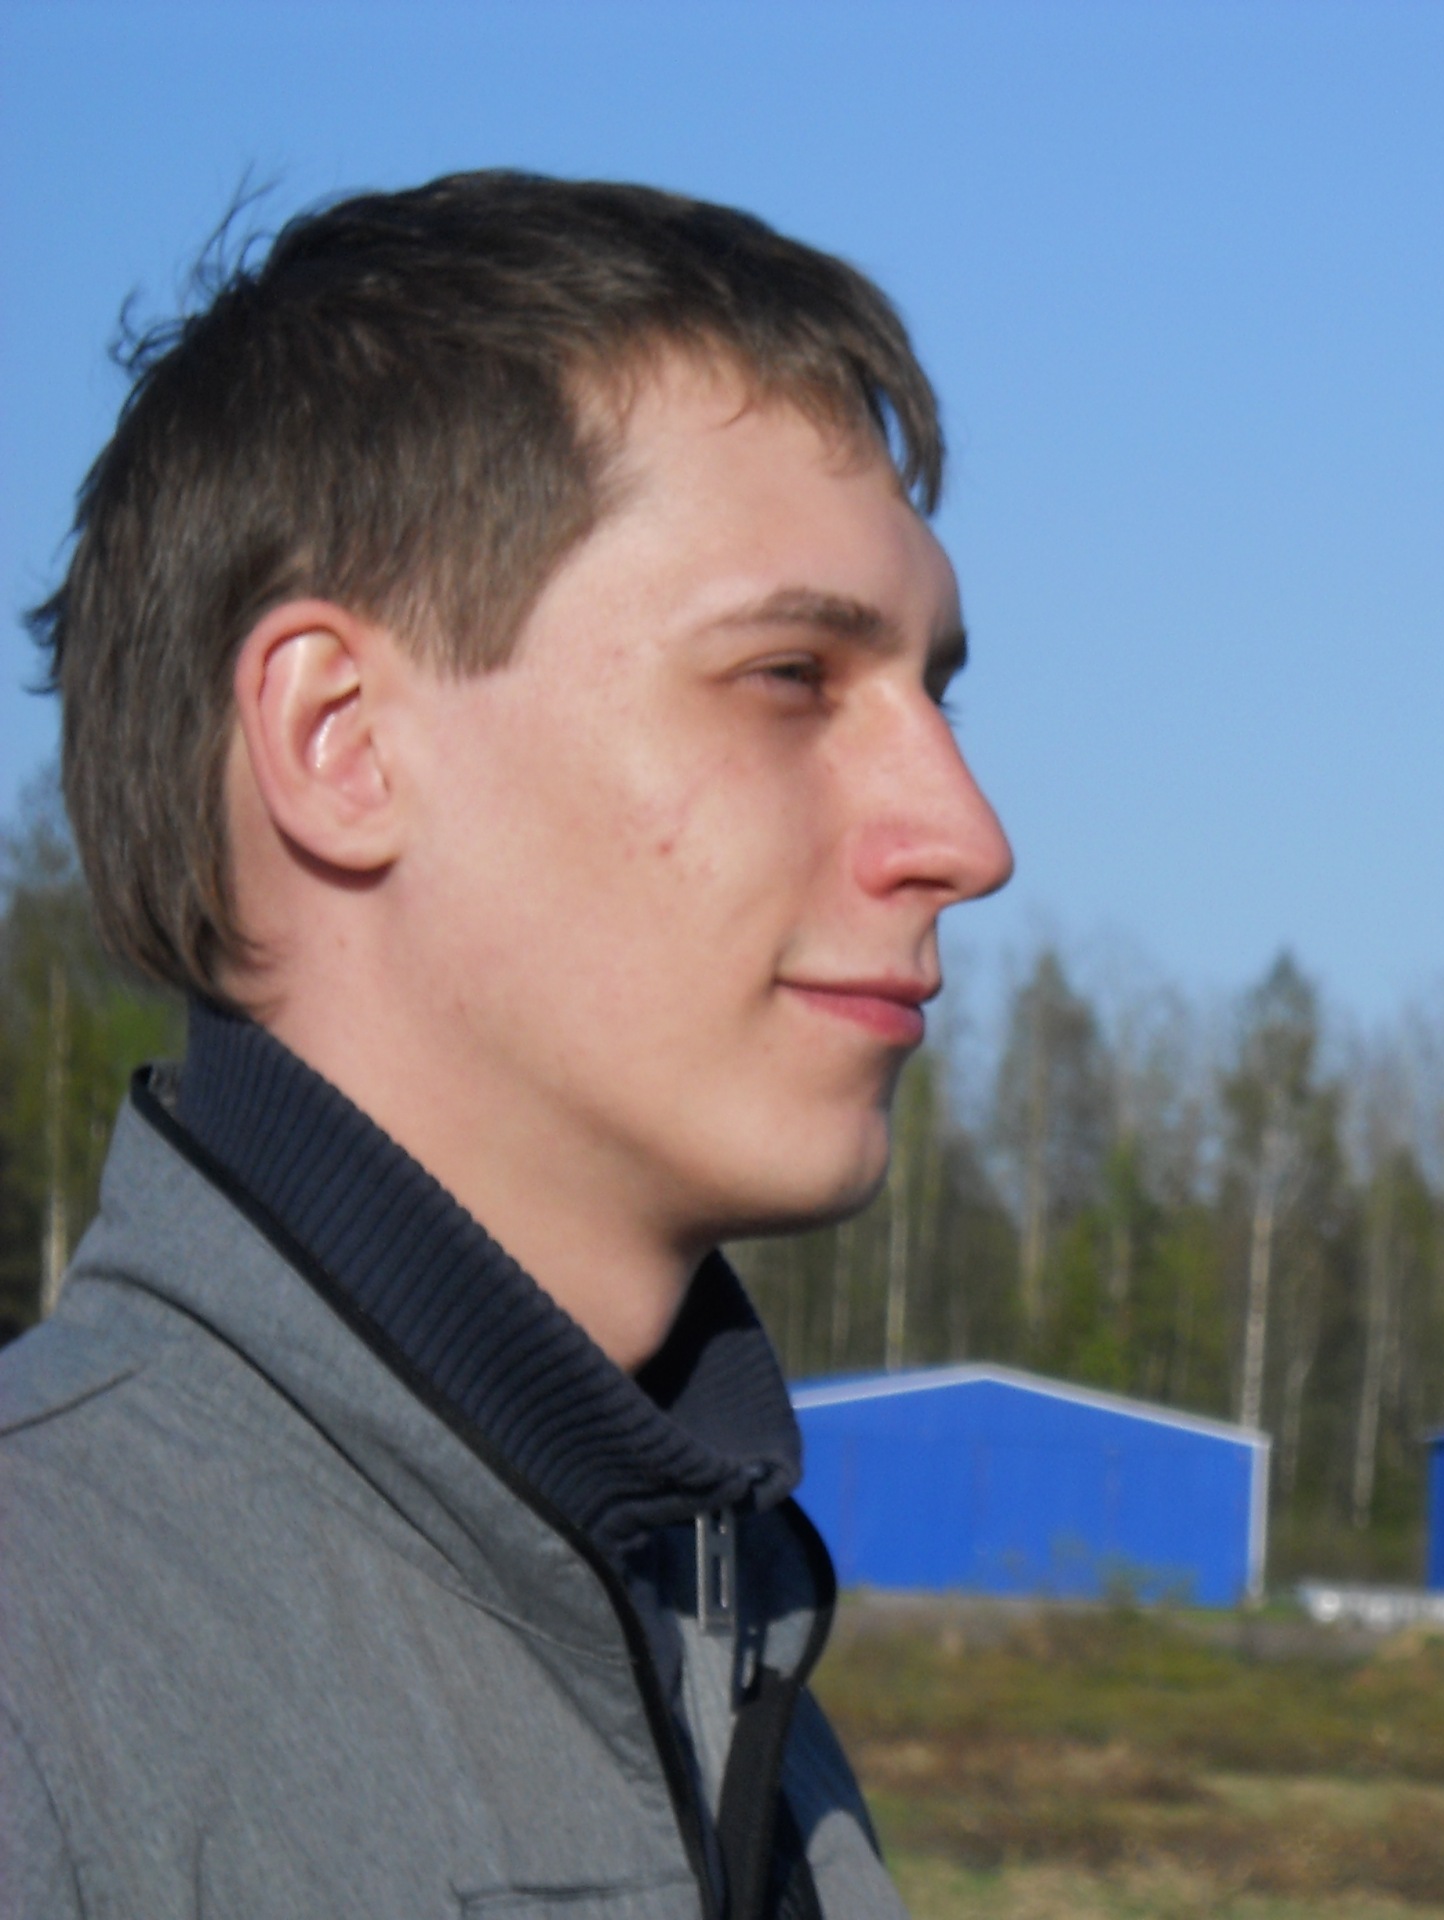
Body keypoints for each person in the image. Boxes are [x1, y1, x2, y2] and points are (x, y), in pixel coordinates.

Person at [0, 172, 1012, 1918]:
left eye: (938, 692)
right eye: (791, 675)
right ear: (340, 739)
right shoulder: (42, 1676)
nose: (965, 836)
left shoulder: (732, 1664)